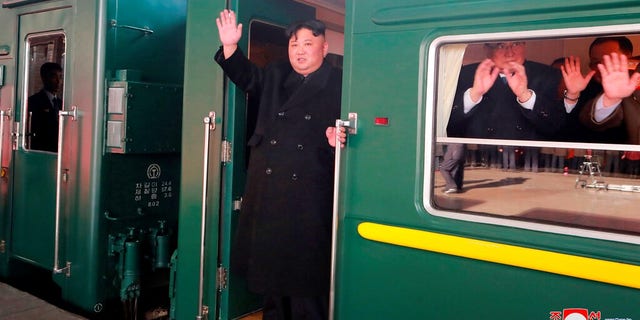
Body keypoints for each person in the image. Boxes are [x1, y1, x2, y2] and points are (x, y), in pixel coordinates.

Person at [215, 10, 341, 320]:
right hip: (270, 187)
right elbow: (246, 76)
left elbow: (359, 124)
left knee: (305, 276)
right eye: (294, 44)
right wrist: (231, 47)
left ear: (324, 48)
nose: (299, 50)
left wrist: (341, 135)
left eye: (308, 43)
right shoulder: (275, 74)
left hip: (311, 189)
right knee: (273, 270)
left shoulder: (342, 82)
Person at [447, 41, 566, 175]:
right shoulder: (462, 74)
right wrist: (474, 94)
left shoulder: (549, 75)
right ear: (486, 49)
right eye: (500, 46)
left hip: (532, 166)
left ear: (524, 44)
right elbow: (445, 124)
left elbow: (558, 126)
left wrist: (525, 96)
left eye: (516, 44)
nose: (510, 52)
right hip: (476, 165)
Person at [561, 37, 640, 144]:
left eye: (609, 60)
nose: (601, 67)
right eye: (596, 62)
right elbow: (585, 123)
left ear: (629, 59)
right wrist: (610, 99)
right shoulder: (586, 88)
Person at [27, 62, 63, 152]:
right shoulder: (33, 101)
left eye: (60, 77)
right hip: (40, 152)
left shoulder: (61, 103)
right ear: (44, 78)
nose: (58, 81)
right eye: (54, 76)